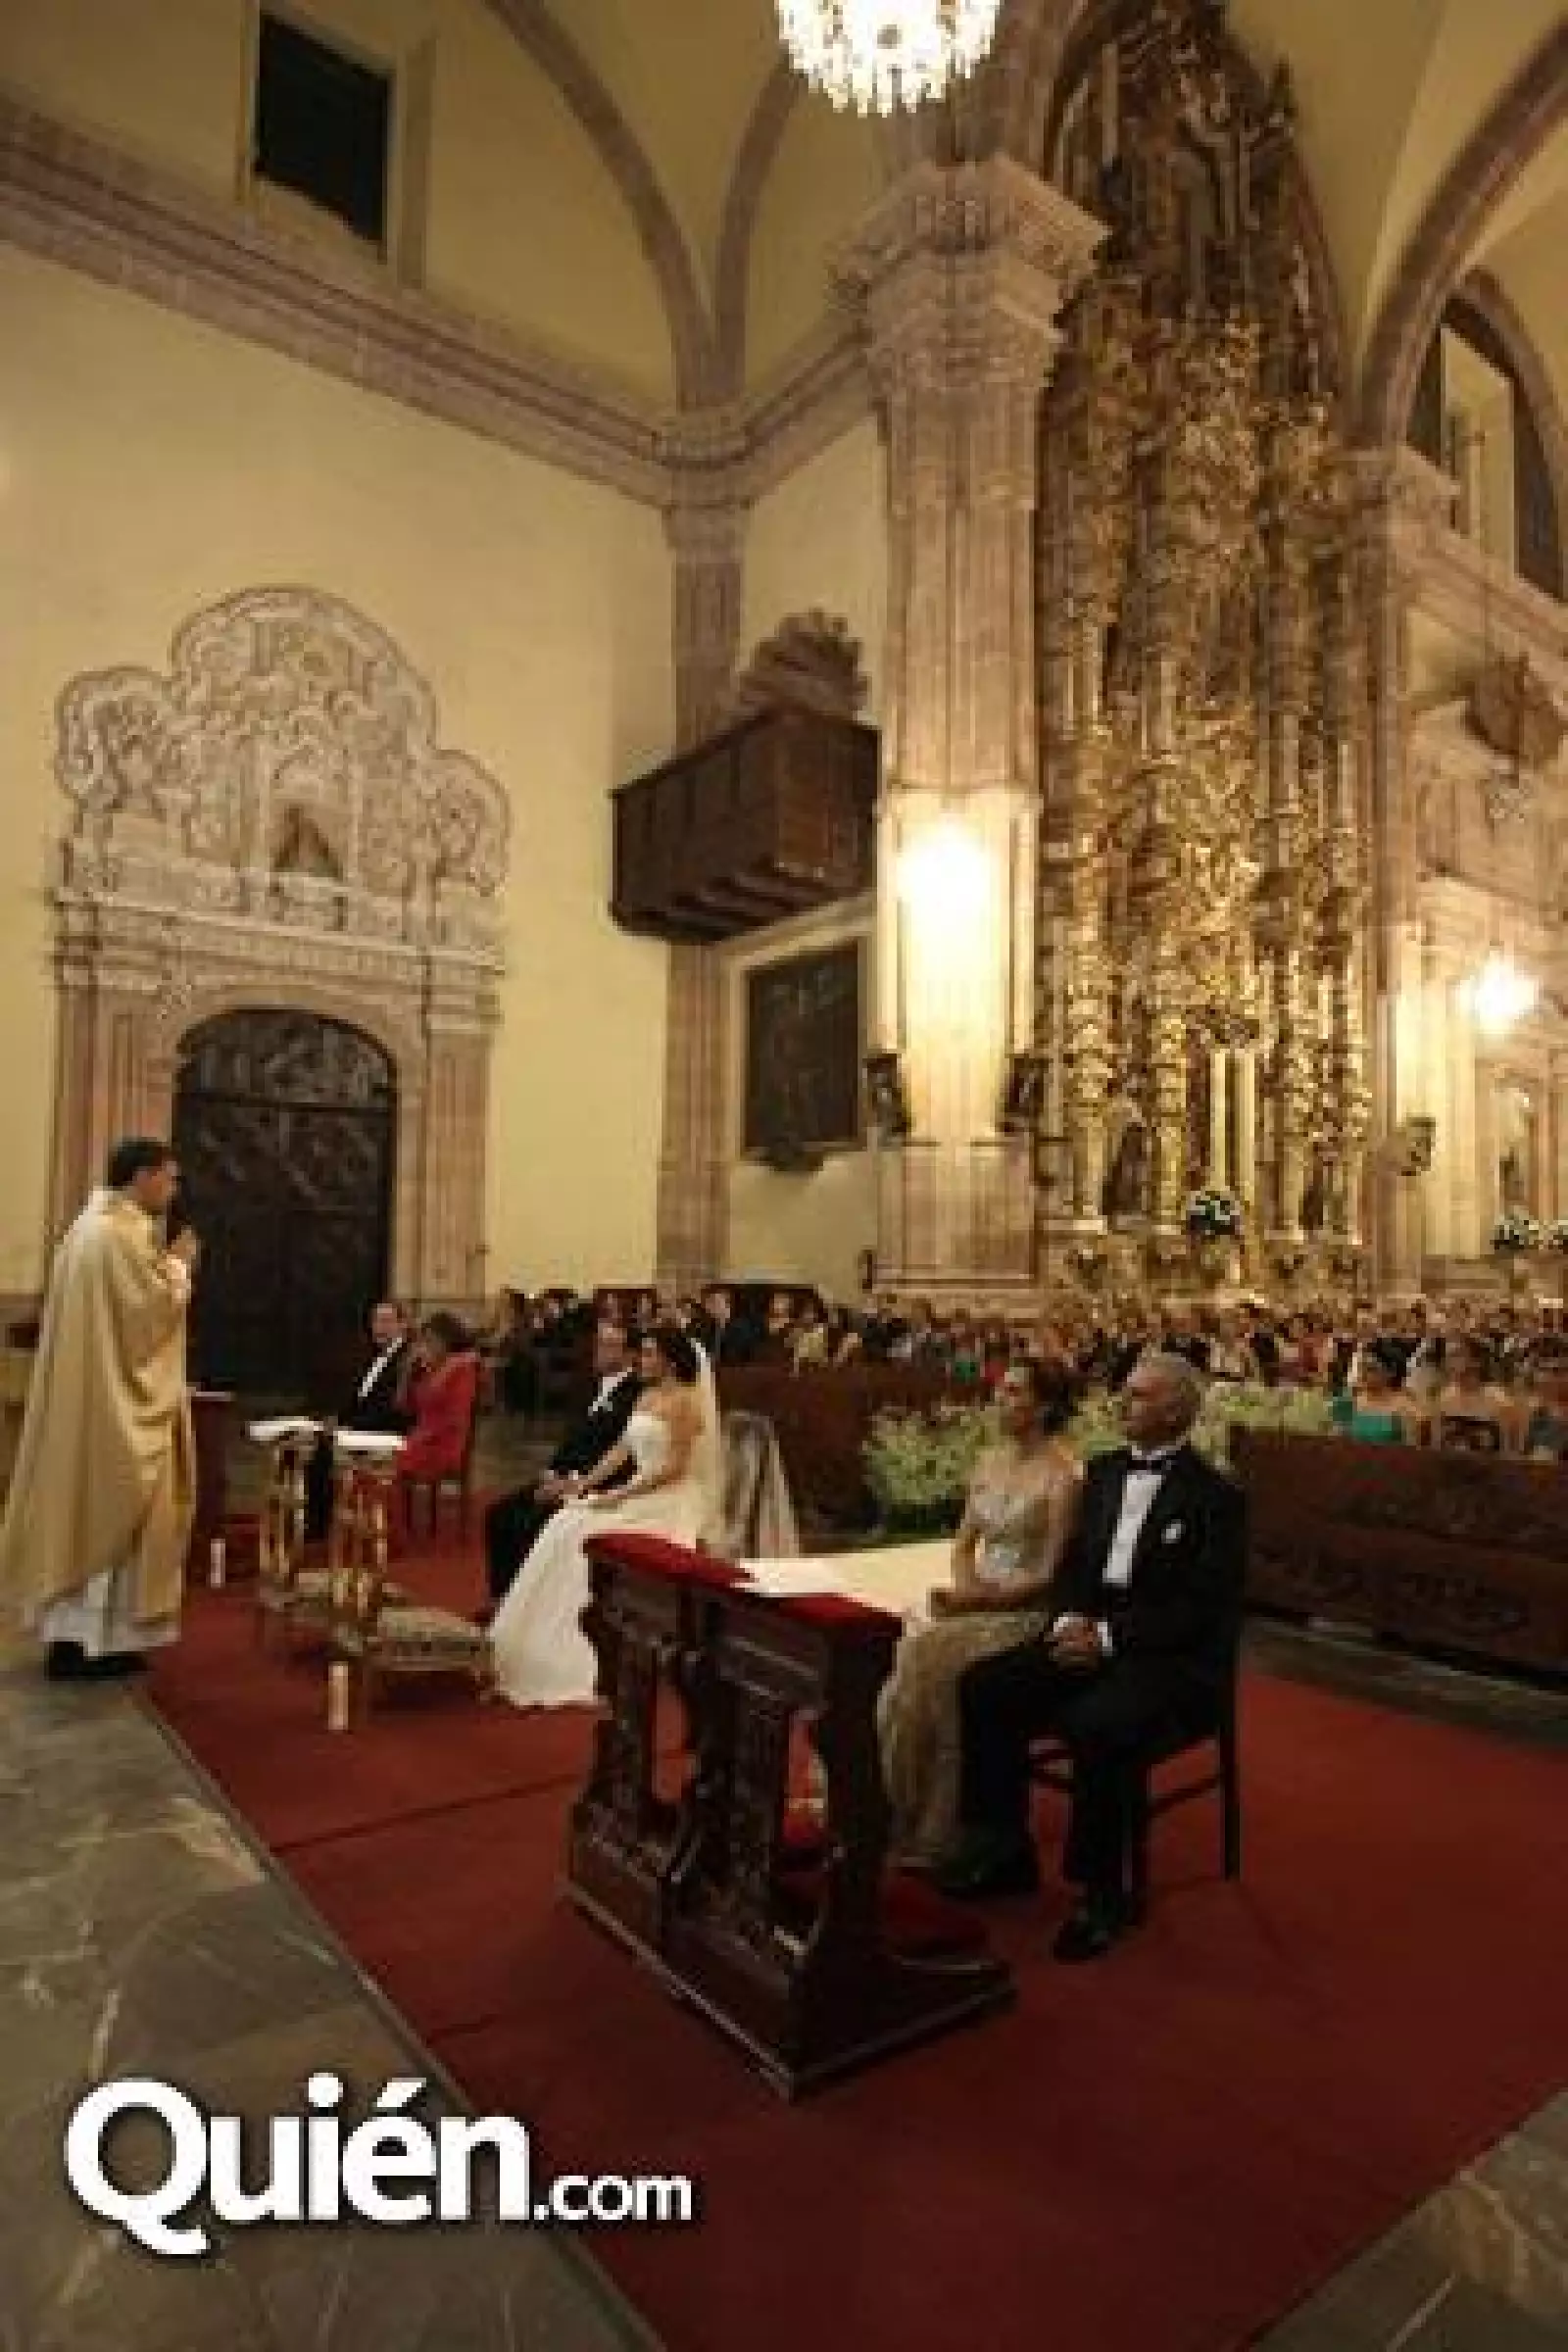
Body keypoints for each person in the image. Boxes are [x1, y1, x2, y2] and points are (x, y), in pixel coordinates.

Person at [937, 1351, 1246, 1964]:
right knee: (985, 1686)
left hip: (1168, 1662)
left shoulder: (1215, 1498)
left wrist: (1107, 1639)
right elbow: (1074, 1566)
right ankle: (1004, 1847)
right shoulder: (1102, 1474)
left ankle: (1103, 1892)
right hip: (1089, 1632)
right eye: (1123, 1392)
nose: (1120, 1404)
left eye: (1137, 1396)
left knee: (1097, 1724)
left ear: (1176, 1411)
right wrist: (1075, 1619)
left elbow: (1197, 1609)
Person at [0, 1138, 201, 1681]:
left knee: (83, 1509)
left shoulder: (86, 1231)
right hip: (116, 1405)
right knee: (120, 1505)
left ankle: (86, 1639)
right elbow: (149, 1313)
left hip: (92, 1398)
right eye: (169, 1177)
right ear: (142, 1176)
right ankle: (93, 1644)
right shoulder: (119, 1235)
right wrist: (180, 1268)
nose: (173, 1188)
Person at [878, 1360, 1083, 1867]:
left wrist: (982, 1600)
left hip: (1023, 1610)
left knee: (931, 1658)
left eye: (1014, 1393)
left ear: (1043, 1407)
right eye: (1001, 1391)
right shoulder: (989, 1460)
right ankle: (889, 1807)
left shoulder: (1065, 1476)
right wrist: (965, 1581)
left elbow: (1050, 1574)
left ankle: (942, 1825)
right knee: (905, 1645)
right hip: (977, 1594)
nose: (1000, 1401)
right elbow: (965, 1542)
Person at [489, 1324, 720, 1709]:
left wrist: (620, 1494)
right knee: (566, 1520)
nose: (641, 1360)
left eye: (648, 1353)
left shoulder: (685, 1403)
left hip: (666, 1499)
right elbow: (621, 1449)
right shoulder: (645, 1395)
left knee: (587, 1535)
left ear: (669, 1360)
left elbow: (675, 1468)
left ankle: (582, 1645)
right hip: (633, 1491)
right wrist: (588, 1484)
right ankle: (532, 1636)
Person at [482, 1317, 643, 1606]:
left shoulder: (635, 1396)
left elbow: (620, 1455)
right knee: (498, 1514)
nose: (600, 1351)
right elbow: (570, 1440)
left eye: (610, 1345)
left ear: (630, 1354)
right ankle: (502, 1600)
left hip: (595, 1484)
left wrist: (571, 1485)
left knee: (529, 1524)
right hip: (562, 1475)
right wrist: (549, 1474)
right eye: (599, 1343)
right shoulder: (590, 1386)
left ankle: (528, 1603)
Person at [304, 1299, 413, 1539]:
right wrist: (337, 1420)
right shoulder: (374, 1355)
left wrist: (348, 1427)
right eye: (375, 1321)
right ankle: (308, 1511)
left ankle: (319, 1524)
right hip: (365, 1424)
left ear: (403, 1325)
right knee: (307, 1438)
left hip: (387, 1431)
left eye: (386, 1321)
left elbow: (395, 1409)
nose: (379, 1328)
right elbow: (359, 1400)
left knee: (322, 1450)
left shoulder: (406, 1361)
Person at [395, 1313, 480, 1490]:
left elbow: (455, 1418)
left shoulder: (462, 1369)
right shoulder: (432, 1368)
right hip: (423, 1439)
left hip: (443, 1444)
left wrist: (421, 1439)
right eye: (423, 1341)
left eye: (430, 1341)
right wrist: (407, 1374)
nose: (424, 1347)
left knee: (383, 1462)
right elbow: (404, 1407)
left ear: (447, 1341)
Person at [1328, 1338, 1428, 1445]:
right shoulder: (1349, 1402)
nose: (1364, 1373)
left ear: (1390, 1372)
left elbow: (1420, 1445)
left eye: (1371, 1369)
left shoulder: (1405, 1405)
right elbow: (1336, 1443)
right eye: (1362, 1367)